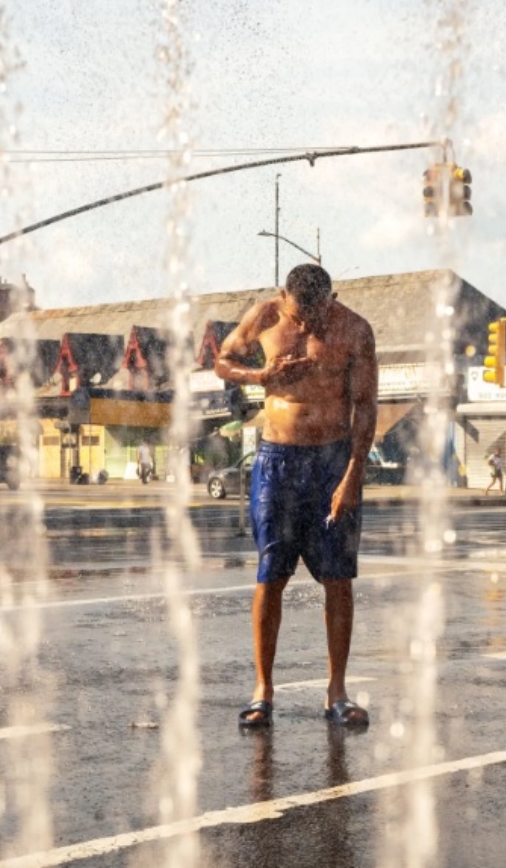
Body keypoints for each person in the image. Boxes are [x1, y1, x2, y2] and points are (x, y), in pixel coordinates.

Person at [215, 263, 377, 729]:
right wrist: (261, 376)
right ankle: (263, 690)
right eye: (299, 314)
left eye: (317, 314)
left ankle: (337, 691)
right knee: (271, 574)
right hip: (276, 461)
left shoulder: (354, 330)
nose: (307, 324)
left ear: (333, 298)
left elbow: (365, 406)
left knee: (338, 578)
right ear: (283, 297)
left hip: (331, 461)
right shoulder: (264, 317)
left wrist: (353, 475)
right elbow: (221, 362)